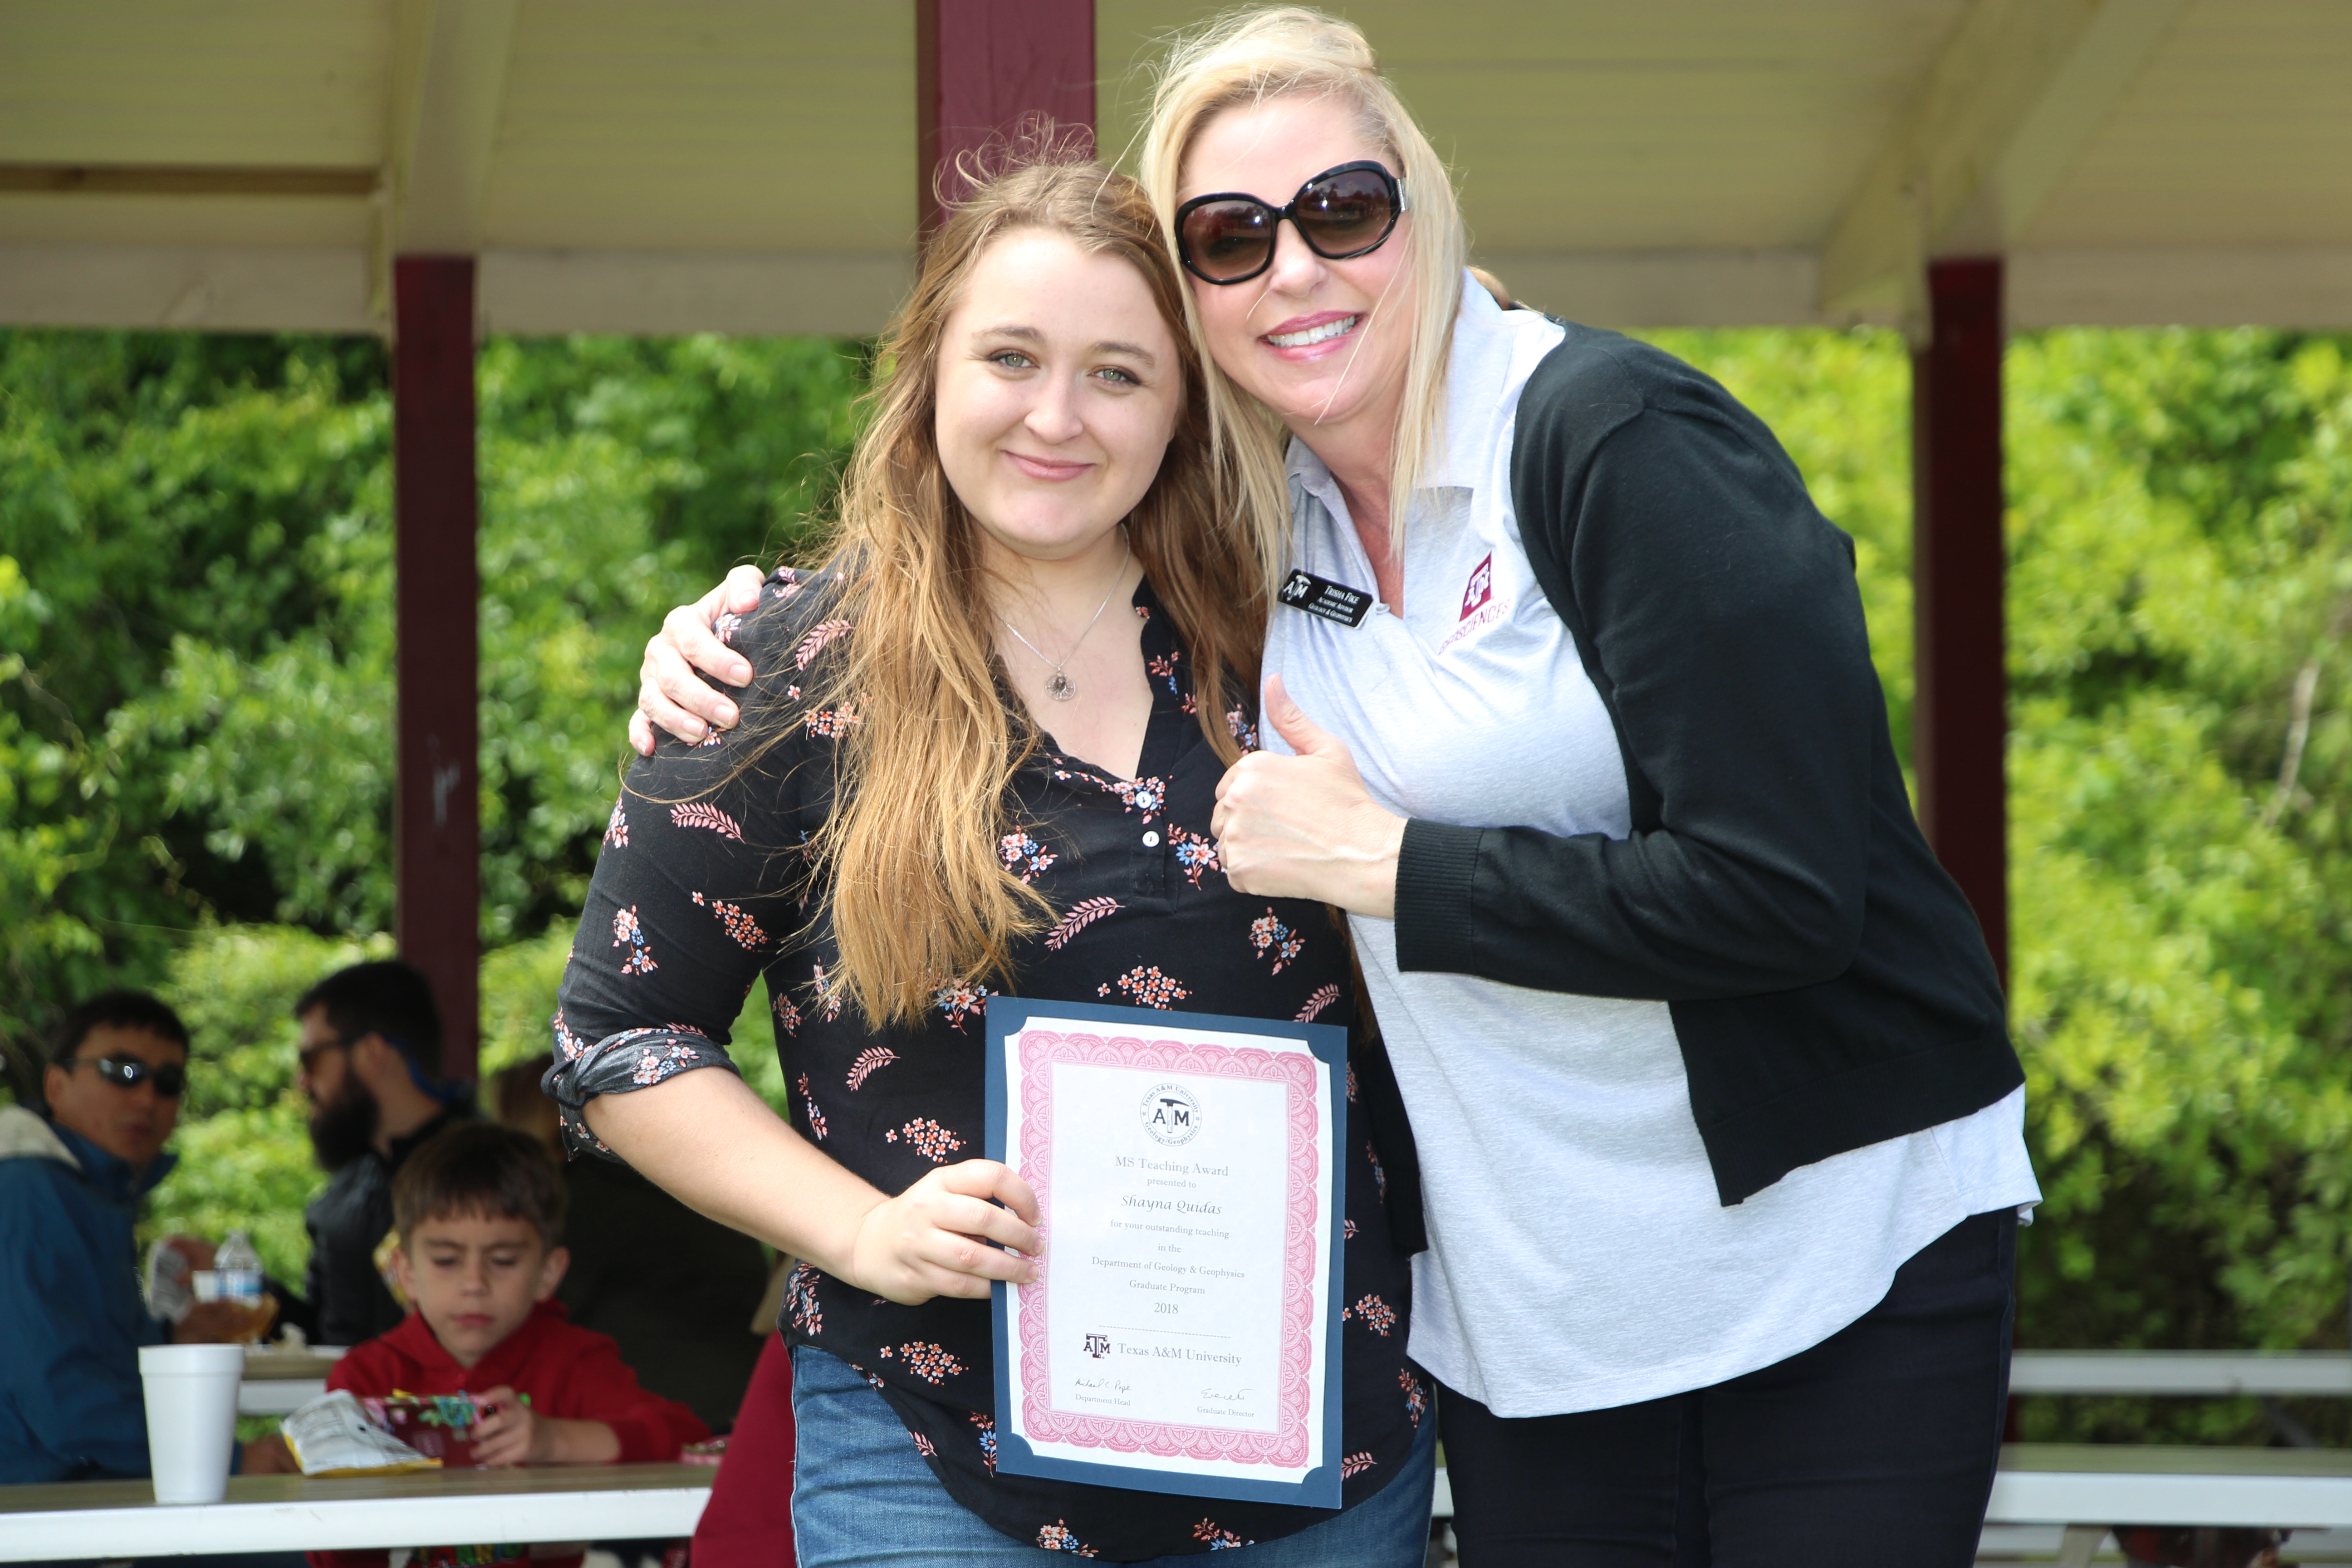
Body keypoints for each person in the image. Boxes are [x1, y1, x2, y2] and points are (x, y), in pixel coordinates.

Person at [634, 10, 2043, 1563]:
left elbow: (1783, 888)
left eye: (1344, 211)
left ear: (1420, 213)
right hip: (1531, 1304)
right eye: (1229, 239)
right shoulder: (1263, 532)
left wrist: (1389, 863)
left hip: (1819, 1242)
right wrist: (732, 641)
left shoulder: (1607, 443)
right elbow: (633, 1009)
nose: (1294, 269)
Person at [549, 153, 1432, 1567]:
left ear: (1186, 407)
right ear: (929, 373)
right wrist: (861, 1234)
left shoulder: (1308, 645)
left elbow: (1457, 423)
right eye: (1011, 357)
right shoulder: (778, 671)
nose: (1056, 418)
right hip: (935, 1461)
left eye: (1119, 374)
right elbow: (622, 1037)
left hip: (1322, 1452)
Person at [269, 1121, 708, 1568]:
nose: (474, 1284)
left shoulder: (574, 1362)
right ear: (405, 1271)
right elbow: (328, 1546)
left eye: (502, 1261)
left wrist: (555, 1440)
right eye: (446, 1260)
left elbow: (689, 1440)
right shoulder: (365, 1378)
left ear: (548, 1274)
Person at [0, 990, 263, 1484]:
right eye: (122, 1072)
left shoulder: (88, 1191)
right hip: (37, 1515)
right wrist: (233, 1462)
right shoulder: (28, 1194)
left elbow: (84, 1354)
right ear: (57, 1084)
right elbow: (58, 1397)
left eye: (169, 1083)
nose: (147, 1098)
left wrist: (171, 1338)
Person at [490, 1055, 767, 1431]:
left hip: (666, 1409)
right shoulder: (675, 1176)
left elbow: (522, 1315)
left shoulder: (584, 1198)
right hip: (745, 1394)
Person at [283, 960, 472, 1348]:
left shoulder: (487, 1172)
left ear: (373, 1052)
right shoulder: (339, 1198)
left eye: (311, 1060)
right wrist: (251, 1296)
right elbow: (325, 1338)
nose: (302, 1082)